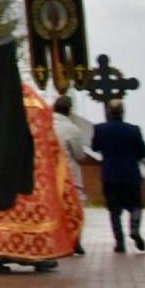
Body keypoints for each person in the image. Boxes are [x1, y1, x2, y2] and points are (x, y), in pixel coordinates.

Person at [0, 39, 84, 271]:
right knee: (28, 203)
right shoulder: (36, 105)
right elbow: (48, 151)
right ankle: (32, 252)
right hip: (25, 181)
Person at [91, 99, 145, 254]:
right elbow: (143, 153)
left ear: (109, 112)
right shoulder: (134, 130)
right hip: (131, 174)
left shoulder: (100, 129)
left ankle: (120, 242)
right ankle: (135, 229)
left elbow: (95, 147)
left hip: (110, 175)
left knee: (114, 209)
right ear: (123, 112)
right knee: (136, 205)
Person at [52, 94, 90, 255]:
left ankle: (54, 240)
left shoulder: (43, 124)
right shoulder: (73, 129)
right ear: (69, 110)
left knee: (53, 207)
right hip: (69, 174)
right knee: (74, 206)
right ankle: (75, 240)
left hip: (48, 174)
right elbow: (79, 155)